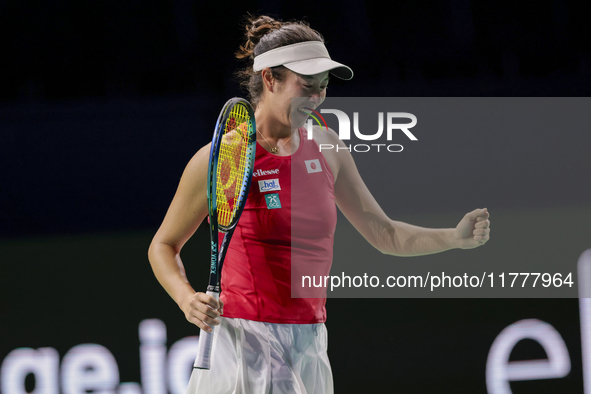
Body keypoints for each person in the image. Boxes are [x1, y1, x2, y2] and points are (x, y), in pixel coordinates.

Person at [148, 14, 490, 394]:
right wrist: (186, 299)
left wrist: (454, 238)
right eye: (306, 86)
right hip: (244, 343)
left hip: (310, 343)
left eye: (323, 87)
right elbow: (163, 246)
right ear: (269, 79)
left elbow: (384, 233)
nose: (316, 98)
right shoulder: (224, 157)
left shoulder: (328, 148)